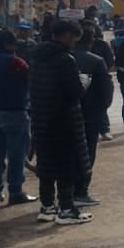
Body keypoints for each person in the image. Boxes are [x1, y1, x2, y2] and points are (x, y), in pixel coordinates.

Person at [28, 19, 92, 225]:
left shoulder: (36, 57)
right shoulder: (65, 59)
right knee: (67, 166)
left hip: (41, 118)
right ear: (65, 35)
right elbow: (74, 93)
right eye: (74, 37)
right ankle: (66, 209)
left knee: (46, 165)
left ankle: (47, 207)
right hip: (64, 120)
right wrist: (84, 82)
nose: (74, 42)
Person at [0, 28, 35, 205]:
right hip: (15, 112)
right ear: (7, 44)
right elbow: (30, 79)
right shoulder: (15, 62)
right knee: (17, 155)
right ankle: (16, 191)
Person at [73, 24, 114, 208]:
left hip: (66, 114)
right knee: (87, 153)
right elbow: (106, 90)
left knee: (68, 152)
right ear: (91, 40)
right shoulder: (96, 61)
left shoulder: (64, 58)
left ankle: (67, 192)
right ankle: (81, 191)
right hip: (90, 115)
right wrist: (101, 110)